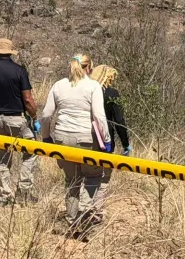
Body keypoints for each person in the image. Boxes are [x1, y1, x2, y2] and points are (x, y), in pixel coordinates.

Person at [41, 54, 110, 232]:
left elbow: (47, 115)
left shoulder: (59, 85)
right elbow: (99, 116)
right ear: (89, 68)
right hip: (86, 139)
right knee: (93, 176)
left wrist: (46, 136)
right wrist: (107, 141)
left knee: (71, 180)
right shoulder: (93, 86)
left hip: (63, 139)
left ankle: (72, 221)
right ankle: (85, 216)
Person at [0, 38, 39, 206]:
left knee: (1, 158)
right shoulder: (19, 71)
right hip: (18, 119)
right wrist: (34, 118)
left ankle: (4, 195)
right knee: (31, 152)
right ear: (11, 53)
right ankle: (23, 191)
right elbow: (28, 99)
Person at [90, 64, 132, 220]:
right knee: (103, 177)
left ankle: (85, 206)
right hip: (105, 139)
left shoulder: (86, 89)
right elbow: (119, 120)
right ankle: (97, 210)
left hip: (86, 136)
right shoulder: (112, 93)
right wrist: (126, 143)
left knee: (86, 174)